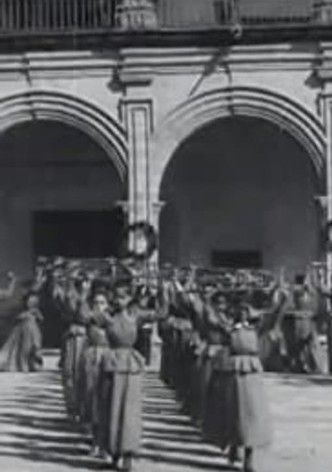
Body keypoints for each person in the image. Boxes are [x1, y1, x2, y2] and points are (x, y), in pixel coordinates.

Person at [218, 302, 272, 472]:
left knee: (252, 416)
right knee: (235, 413)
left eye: (246, 311)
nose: (243, 313)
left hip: (252, 375)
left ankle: (249, 458)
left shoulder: (256, 330)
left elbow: (273, 318)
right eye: (240, 311)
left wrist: (281, 299)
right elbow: (210, 320)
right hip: (234, 374)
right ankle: (234, 445)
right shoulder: (228, 330)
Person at [98, 279, 145, 472]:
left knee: (130, 411)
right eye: (116, 297)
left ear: (129, 298)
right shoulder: (107, 317)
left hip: (130, 366)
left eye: (123, 297)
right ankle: (113, 451)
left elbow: (162, 312)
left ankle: (128, 453)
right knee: (111, 407)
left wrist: (164, 290)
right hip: (112, 363)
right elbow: (86, 316)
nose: (118, 300)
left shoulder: (136, 316)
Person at [0, 290, 43, 372]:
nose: (31, 304)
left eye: (33, 302)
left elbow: (41, 318)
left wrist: (35, 316)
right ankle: (22, 364)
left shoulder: (35, 311)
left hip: (32, 330)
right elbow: (17, 318)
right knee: (22, 348)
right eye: (29, 302)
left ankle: (32, 364)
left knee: (33, 346)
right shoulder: (22, 311)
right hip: (22, 330)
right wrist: (25, 316)